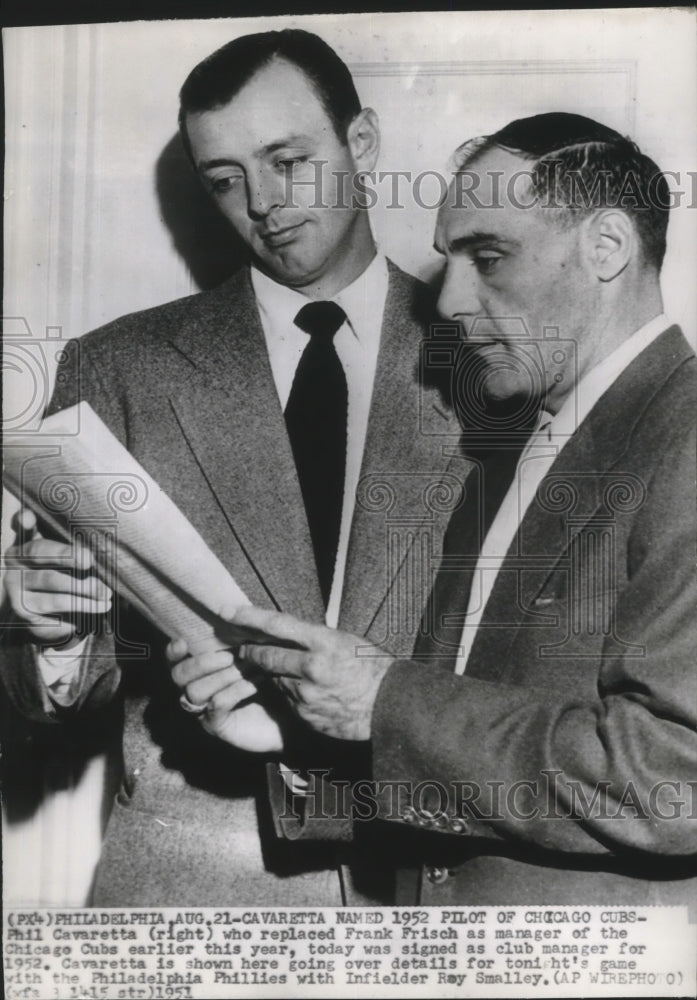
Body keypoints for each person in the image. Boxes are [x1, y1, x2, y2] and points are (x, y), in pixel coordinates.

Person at [0, 29, 466, 906]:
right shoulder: (119, 368)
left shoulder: (494, 364)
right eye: (224, 180)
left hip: (430, 890)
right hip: (197, 892)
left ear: (360, 144)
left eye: (287, 160)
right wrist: (50, 633)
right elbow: (68, 695)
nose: (263, 203)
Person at [210, 112, 697, 905]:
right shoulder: (509, 454)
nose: (448, 301)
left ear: (606, 246)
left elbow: (674, 778)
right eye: (448, 259)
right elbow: (471, 767)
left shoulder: (684, 435)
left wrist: (383, 701)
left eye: (488, 256)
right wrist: (302, 733)